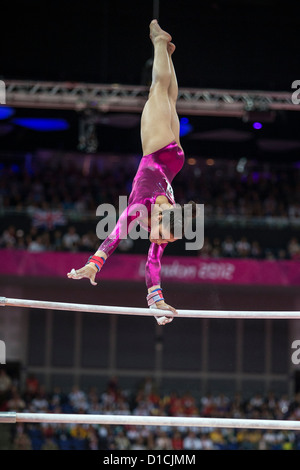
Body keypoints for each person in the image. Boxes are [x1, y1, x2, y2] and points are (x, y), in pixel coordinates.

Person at [68, 20, 196, 325]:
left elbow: (153, 264)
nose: (158, 241)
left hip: (173, 161)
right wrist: (93, 266)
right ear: (164, 218)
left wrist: (158, 304)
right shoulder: (142, 209)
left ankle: (166, 52)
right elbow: (112, 236)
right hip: (158, 150)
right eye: (162, 235)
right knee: (157, 90)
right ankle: (159, 42)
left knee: (169, 98)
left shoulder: (165, 221)